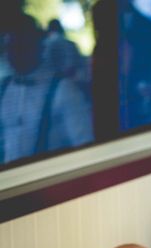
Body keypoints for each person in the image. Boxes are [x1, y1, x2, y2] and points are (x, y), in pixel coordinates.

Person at [0, 15, 93, 164]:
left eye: (21, 47)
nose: (13, 54)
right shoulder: (4, 89)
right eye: (10, 47)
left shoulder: (63, 89)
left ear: (38, 47)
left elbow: (84, 144)